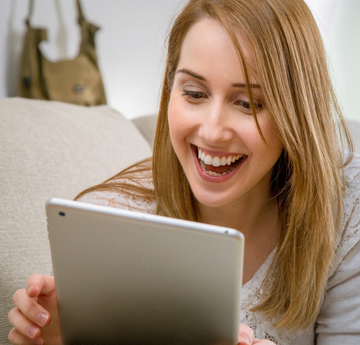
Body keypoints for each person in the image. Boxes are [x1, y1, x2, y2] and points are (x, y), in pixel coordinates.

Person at [8, 0, 360, 344]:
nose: (211, 131)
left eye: (248, 103)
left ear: (296, 111)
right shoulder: (112, 219)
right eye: (194, 93)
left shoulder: (344, 213)